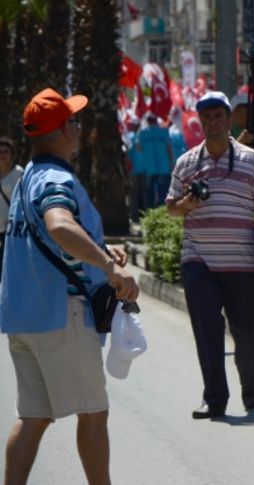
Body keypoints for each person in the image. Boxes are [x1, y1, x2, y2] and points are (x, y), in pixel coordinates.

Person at [0, 88, 139, 485]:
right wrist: (110, 266)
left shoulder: (26, 179)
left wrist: (97, 246)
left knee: (33, 417)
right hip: (60, 315)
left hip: (24, 316)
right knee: (94, 414)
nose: (79, 127)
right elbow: (59, 224)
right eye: (74, 121)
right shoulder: (55, 177)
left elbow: (53, 233)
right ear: (62, 131)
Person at [165, 91, 254, 419]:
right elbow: (171, 208)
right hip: (198, 259)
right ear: (199, 121)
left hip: (241, 262)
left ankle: (249, 377)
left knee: (245, 332)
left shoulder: (250, 160)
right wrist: (186, 205)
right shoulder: (186, 162)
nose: (212, 121)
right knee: (207, 330)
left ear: (230, 121)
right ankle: (214, 398)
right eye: (206, 116)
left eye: (218, 115)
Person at [136, 112, 174, 208]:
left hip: (149, 167)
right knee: (163, 192)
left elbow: (138, 149)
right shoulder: (164, 132)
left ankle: (150, 214)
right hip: (163, 166)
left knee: (149, 193)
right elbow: (169, 149)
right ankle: (162, 213)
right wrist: (172, 163)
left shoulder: (142, 133)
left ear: (147, 121)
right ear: (156, 120)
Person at [0, 137, 22, 279]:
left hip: (10, 227)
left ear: (12, 155)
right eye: (0, 151)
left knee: (6, 263)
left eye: (6, 151)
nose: (2, 154)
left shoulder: (19, 173)